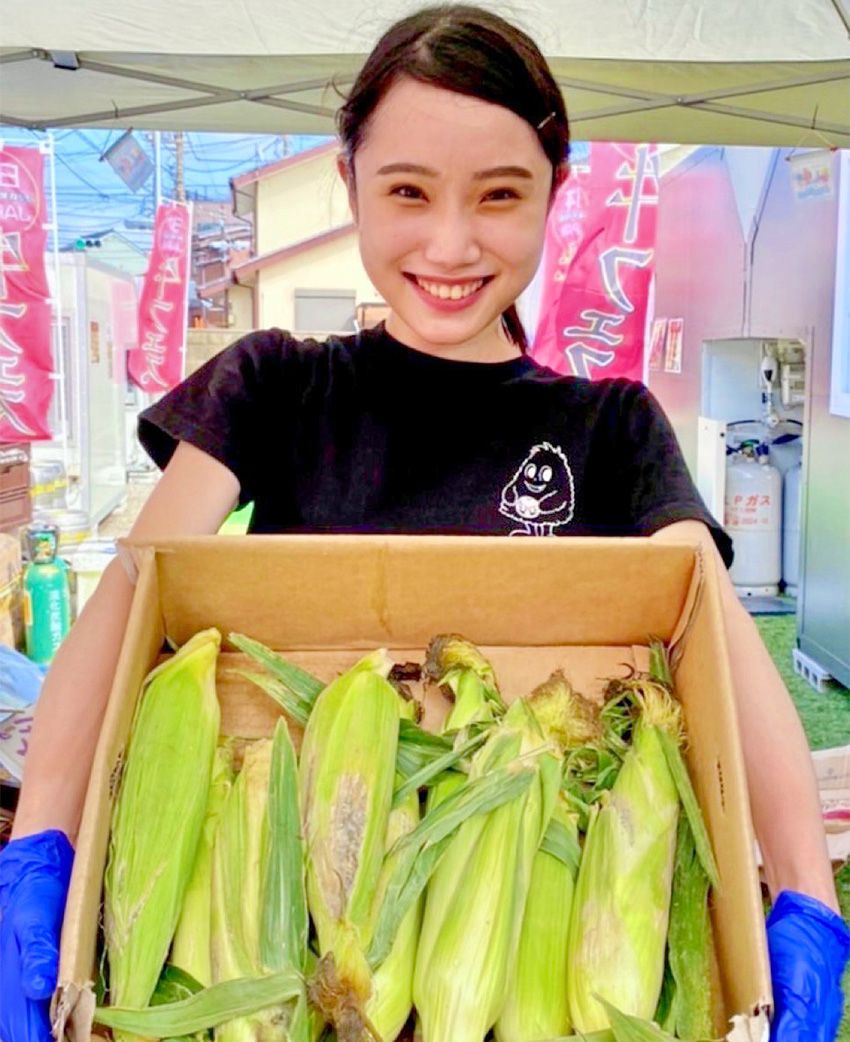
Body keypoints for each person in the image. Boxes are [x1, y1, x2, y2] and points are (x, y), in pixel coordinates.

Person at [1, 6, 847, 1042]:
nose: (451, 243)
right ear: (350, 178)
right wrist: (41, 842)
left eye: (500, 195)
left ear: (551, 196)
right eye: (407, 191)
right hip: (295, 952)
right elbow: (137, 585)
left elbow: (715, 638)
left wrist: (806, 895)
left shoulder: (611, 427)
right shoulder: (273, 386)